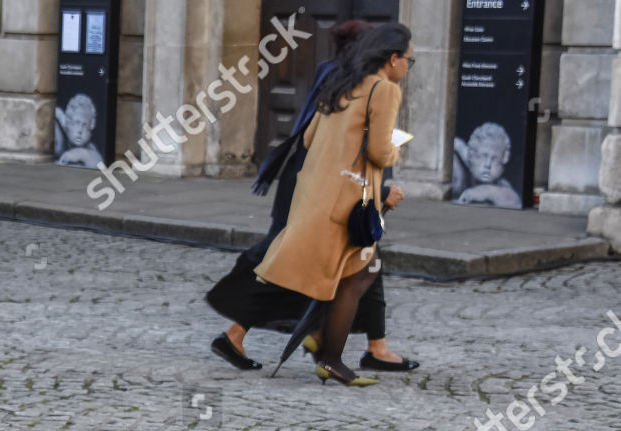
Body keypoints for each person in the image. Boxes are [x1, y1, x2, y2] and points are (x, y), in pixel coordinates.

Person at [206, 20, 418, 373]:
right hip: (329, 190)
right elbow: (357, 150)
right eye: (407, 59)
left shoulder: (338, 77)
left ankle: (368, 346)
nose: (407, 66)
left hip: (317, 186)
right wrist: (384, 169)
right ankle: (250, 334)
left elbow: (316, 138)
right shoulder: (363, 84)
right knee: (294, 266)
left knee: (360, 265)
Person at [453, 122, 522, 208]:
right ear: (471, 155)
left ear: (504, 159)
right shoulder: (460, 174)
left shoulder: (502, 185)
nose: (487, 165)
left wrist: (486, 191)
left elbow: (515, 200)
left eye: (494, 159)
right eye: (483, 156)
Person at [55, 92, 103, 168]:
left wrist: (81, 154)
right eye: (76, 123)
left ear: (91, 125)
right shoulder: (62, 142)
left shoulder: (91, 151)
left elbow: (100, 164)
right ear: (67, 123)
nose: (80, 131)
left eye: (84, 125)